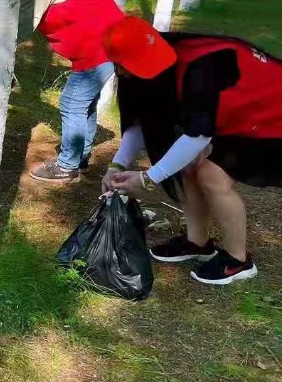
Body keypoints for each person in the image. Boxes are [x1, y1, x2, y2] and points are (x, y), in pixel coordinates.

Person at [102, 16, 282, 285]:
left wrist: (147, 178)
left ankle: (238, 260)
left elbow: (197, 136)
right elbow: (143, 120)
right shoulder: (144, 60)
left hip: (271, 113)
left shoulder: (200, 69)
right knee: (187, 167)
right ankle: (198, 243)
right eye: (122, 67)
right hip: (235, 113)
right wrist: (116, 165)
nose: (123, 74)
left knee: (212, 176)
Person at [19, 0, 123, 183]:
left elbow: (20, 27)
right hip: (111, 34)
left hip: (97, 43)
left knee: (72, 103)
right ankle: (81, 156)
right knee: (84, 103)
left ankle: (67, 165)